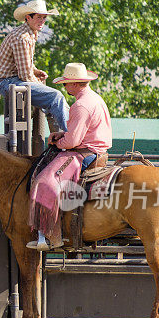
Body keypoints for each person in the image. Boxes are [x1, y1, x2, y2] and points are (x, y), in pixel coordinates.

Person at [27, 63, 112, 251]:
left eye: (66, 83)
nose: (64, 87)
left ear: (74, 84)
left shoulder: (81, 105)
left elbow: (73, 141)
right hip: (96, 151)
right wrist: (62, 136)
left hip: (84, 154)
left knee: (45, 181)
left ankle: (49, 236)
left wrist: (58, 142)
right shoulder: (95, 99)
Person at [0, 0, 70, 132]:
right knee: (56, 97)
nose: (42, 21)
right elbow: (25, 75)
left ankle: (60, 138)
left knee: (52, 98)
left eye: (44, 17)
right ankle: (70, 137)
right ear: (28, 18)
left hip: (10, 80)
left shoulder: (29, 33)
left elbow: (24, 64)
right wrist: (36, 80)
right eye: (39, 17)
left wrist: (36, 71)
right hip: (8, 83)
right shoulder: (23, 37)